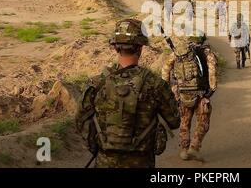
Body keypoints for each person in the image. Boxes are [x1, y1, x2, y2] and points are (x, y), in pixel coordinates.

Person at [75, 19, 180, 168]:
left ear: (115, 47)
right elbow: (174, 122)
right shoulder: (155, 84)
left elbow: (80, 121)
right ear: (140, 48)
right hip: (142, 163)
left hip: (104, 161)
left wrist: (97, 147)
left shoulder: (97, 83)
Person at [161, 32, 217, 161]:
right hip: (201, 93)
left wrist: (170, 88)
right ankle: (195, 146)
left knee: (184, 121)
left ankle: (184, 150)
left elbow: (165, 69)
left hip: (182, 94)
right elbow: (212, 69)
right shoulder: (206, 52)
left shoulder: (179, 51)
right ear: (202, 40)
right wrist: (212, 88)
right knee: (203, 120)